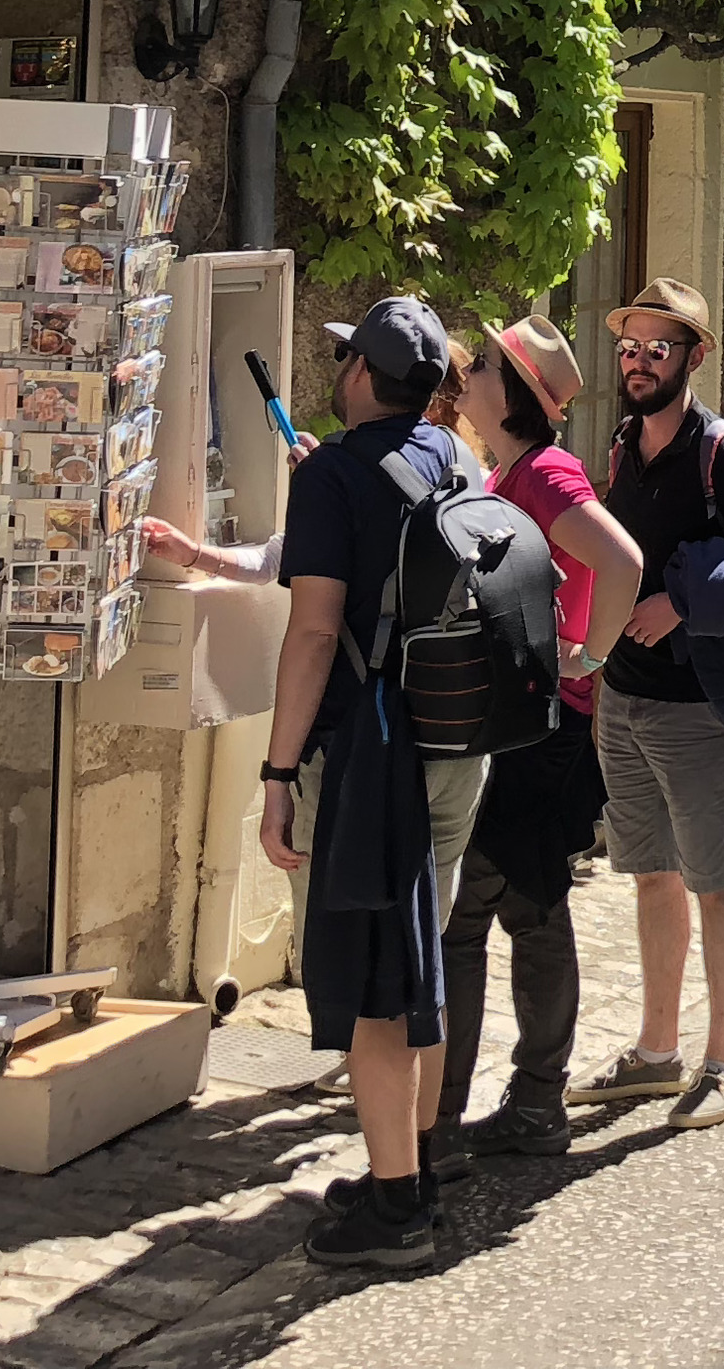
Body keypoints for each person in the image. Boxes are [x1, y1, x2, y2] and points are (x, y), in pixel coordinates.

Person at [262, 295, 480, 1270]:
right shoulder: (454, 459)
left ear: (361, 377)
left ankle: (397, 1211)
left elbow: (314, 633)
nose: (339, 368)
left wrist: (276, 773)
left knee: (375, 986)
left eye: (347, 358)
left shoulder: (336, 479)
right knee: (418, 961)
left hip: (369, 757)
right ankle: (415, 1166)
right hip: (453, 747)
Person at [565, 278, 724, 1132]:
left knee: (717, 879)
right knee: (651, 874)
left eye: (657, 349)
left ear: (693, 357)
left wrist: (685, 604)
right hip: (624, 701)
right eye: (628, 347)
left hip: (699, 709)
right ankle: (657, 1053)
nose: (637, 362)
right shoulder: (624, 443)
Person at [431, 318, 640, 1173]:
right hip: (526, 721)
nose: (468, 374)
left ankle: (444, 1120)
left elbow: (621, 560)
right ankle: (528, 1101)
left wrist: (589, 655)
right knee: (524, 907)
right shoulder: (508, 472)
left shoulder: (545, 475)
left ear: (511, 391)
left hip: (540, 728)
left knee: (475, 915)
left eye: (481, 365)